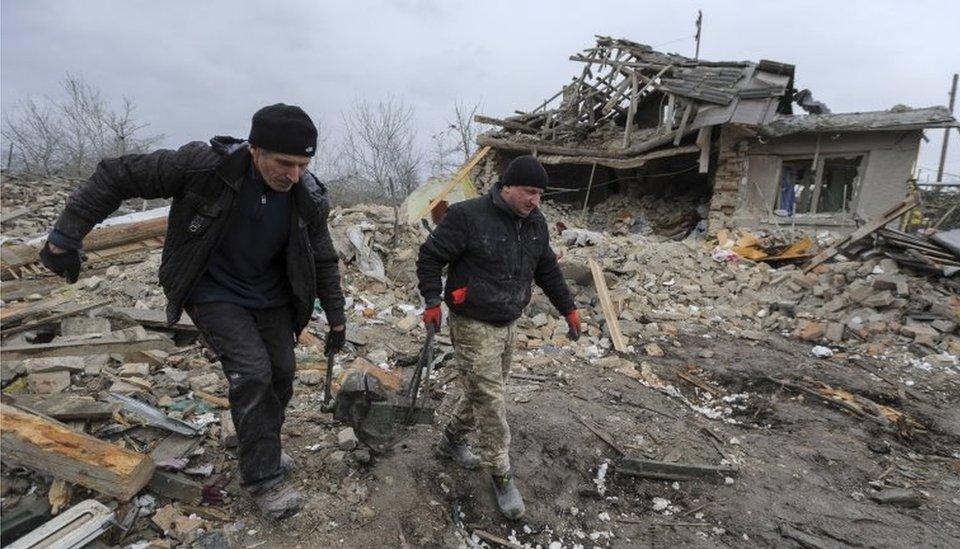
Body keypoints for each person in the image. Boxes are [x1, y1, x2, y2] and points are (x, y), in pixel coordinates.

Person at [39, 104, 346, 520]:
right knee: (252, 373)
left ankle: (259, 440)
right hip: (211, 288)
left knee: (282, 373)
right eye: (284, 162)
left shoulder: (307, 195)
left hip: (272, 295)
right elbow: (117, 175)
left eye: (302, 164)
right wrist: (65, 237)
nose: (293, 175)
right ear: (255, 149)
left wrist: (337, 315)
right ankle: (264, 479)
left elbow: (323, 257)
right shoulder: (205, 168)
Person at [416, 155, 581, 519]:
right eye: (529, 192)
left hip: (508, 321)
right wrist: (432, 300)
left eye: (540, 194)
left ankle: (451, 440)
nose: (535, 201)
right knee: (491, 400)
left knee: (483, 392)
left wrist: (567, 308)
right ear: (507, 187)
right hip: (471, 320)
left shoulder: (535, 224)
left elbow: (547, 269)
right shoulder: (467, 216)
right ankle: (501, 475)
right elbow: (429, 257)